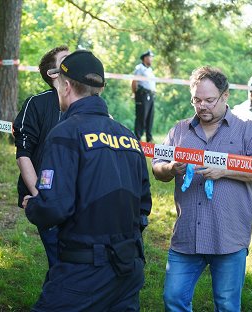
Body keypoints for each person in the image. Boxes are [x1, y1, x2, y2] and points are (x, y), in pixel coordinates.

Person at [23, 50, 152, 311]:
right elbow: (143, 206)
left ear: (67, 86)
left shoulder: (65, 134)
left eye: (58, 83)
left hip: (83, 272)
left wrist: (33, 206)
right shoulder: (127, 136)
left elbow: (54, 207)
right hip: (129, 268)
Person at [152, 66, 252, 311]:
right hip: (186, 236)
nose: (202, 106)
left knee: (227, 305)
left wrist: (225, 170)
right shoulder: (179, 130)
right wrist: (171, 169)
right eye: (197, 100)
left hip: (228, 237)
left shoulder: (249, 131)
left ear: (225, 96)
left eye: (209, 100)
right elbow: (157, 167)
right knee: (173, 298)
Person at [13, 45, 69, 270]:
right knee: (60, 264)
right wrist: (40, 197)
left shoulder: (85, 105)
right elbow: (23, 155)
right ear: (53, 74)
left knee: (72, 266)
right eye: (66, 60)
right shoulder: (35, 104)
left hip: (79, 202)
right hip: (48, 200)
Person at [132, 49, 156, 142]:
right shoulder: (139, 68)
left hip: (150, 95)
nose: (151, 59)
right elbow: (134, 81)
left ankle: (149, 138)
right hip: (142, 95)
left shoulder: (150, 69)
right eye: (150, 57)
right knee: (141, 116)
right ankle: (137, 138)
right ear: (145, 58)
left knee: (150, 117)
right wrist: (135, 94)